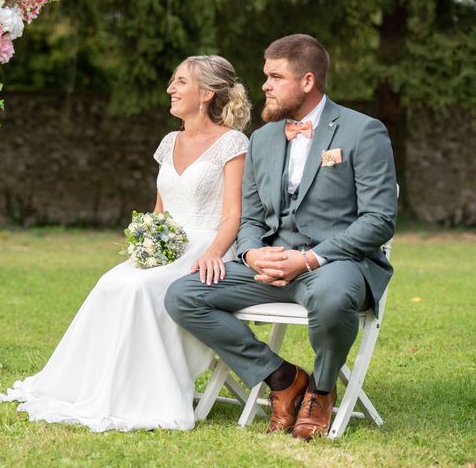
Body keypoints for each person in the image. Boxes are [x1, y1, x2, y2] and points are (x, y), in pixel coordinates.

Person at [0, 55, 252, 432]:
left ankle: (144, 393)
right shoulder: (169, 141)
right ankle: (99, 385)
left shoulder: (232, 143)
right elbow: (160, 209)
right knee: (111, 282)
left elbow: (233, 214)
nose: (170, 89)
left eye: (180, 82)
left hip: (207, 248)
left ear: (207, 92)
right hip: (169, 243)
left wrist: (214, 251)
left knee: (138, 287)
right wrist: (147, 240)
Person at [165, 34, 398, 441]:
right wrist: (253, 253)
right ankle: (283, 378)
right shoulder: (263, 139)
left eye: (275, 77)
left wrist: (310, 260)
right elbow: (251, 216)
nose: (265, 86)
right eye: (265, 76)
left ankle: (322, 393)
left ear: (307, 81)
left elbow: (379, 220)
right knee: (184, 295)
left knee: (330, 296)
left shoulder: (364, 131)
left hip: (335, 267)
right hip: (267, 269)